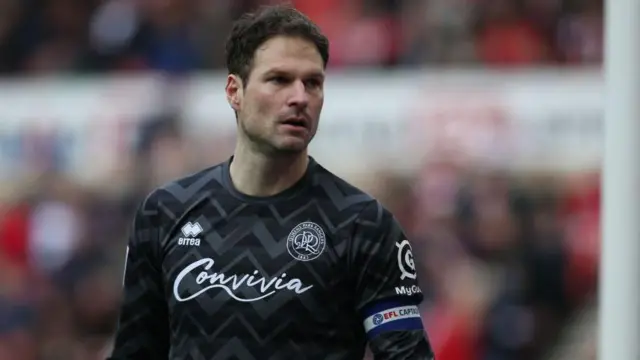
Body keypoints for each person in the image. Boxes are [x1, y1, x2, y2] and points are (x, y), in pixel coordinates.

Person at [108, 4, 435, 360]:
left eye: (313, 83)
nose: (299, 97)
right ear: (235, 91)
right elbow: (134, 351)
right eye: (279, 79)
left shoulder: (364, 225)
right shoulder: (164, 213)